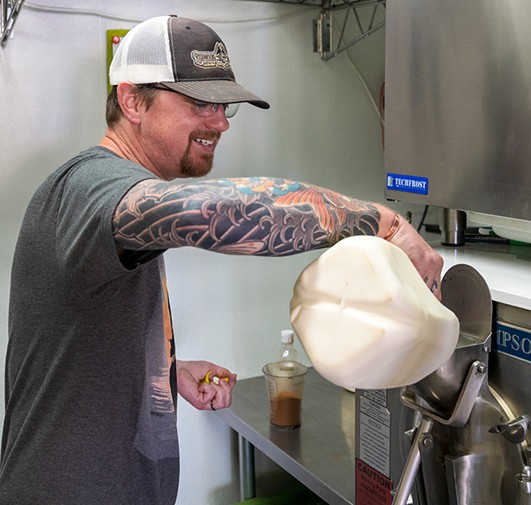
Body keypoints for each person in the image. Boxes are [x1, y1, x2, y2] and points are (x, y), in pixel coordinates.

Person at [0, 15, 443, 505]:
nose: (220, 122)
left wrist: (164, 370)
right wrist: (386, 222)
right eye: (199, 103)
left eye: (225, 105)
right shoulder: (89, 187)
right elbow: (228, 209)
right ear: (131, 101)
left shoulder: (105, 197)